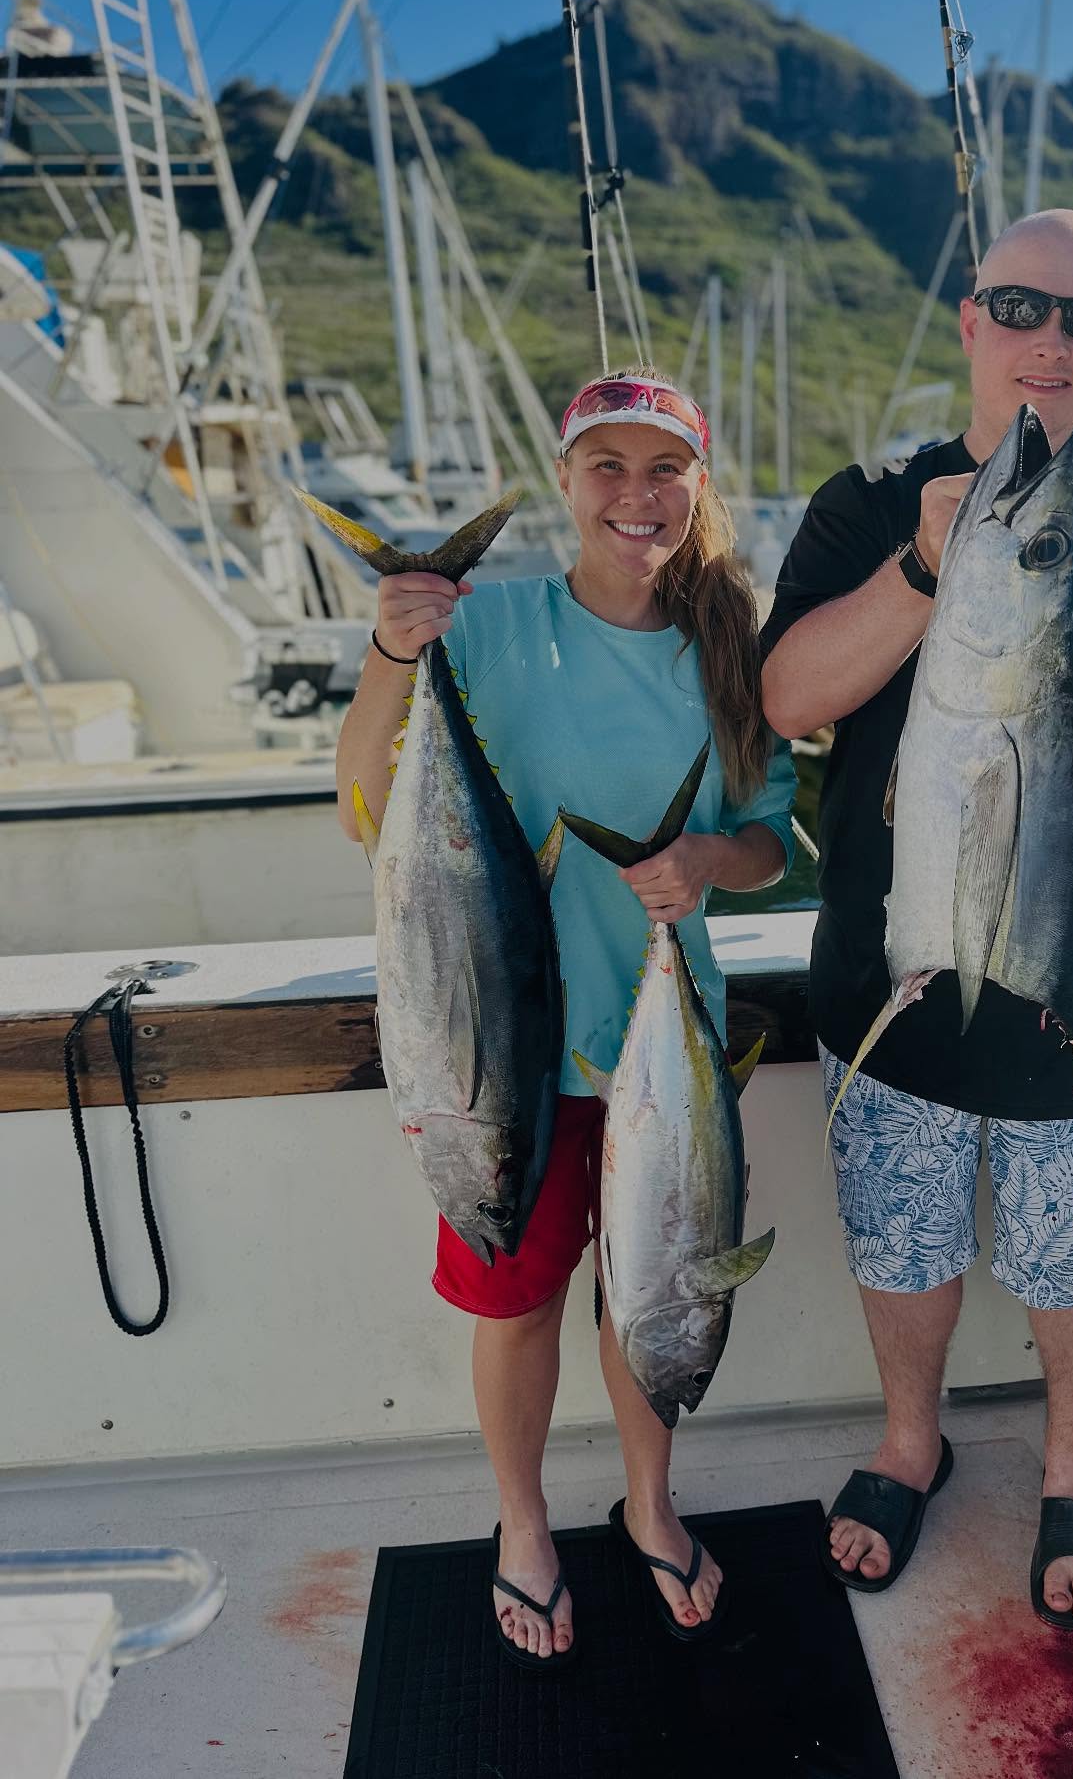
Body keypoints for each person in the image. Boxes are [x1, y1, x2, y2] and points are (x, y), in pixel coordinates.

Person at [760, 209, 1073, 1631]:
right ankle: (908, 1444)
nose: (1051, 338)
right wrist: (931, 573)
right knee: (902, 1239)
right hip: (894, 980)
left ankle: (1069, 1465)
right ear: (972, 320)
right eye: (1020, 306)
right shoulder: (869, 501)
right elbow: (788, 702)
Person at [336, 368, 795, 1667]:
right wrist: (392, 652)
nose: (636, 497)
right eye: (609, 466)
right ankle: (523, 1522)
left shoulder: (730, 645)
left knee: (651, 1296)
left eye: (665, 469)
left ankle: (651, 1503)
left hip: (665, 1047)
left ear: (697, 486)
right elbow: (363, 802)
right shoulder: (487, 626)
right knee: (518, 1298)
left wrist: (705, 861)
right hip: (501, 1056)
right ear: (565, 480)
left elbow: (768, 844)